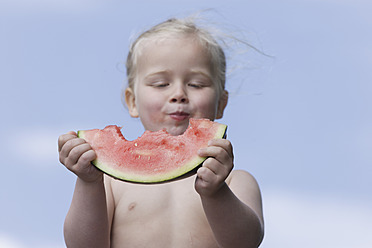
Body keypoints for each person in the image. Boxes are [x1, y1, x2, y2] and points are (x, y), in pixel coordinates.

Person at [58, 17, 264, 248]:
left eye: (196, 84)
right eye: (160, 84)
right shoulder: (110, 183)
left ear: (221, 103)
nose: (179, 94)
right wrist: (88, 182)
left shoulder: (236, 180)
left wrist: (216, 193)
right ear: (132, 101)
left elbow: (245, 243)